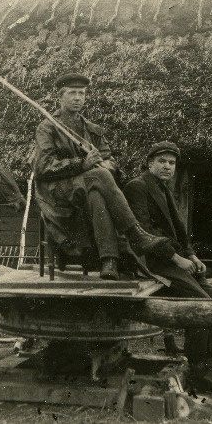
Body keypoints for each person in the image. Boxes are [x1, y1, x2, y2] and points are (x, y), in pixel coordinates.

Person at [123, 141, 212, 397]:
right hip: (150, 263)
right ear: (150, 163)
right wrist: (177, 258)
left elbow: (178, 231)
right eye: (162, 162)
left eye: (172, 163)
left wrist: (190, 253)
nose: (168, 167)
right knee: (200, 304)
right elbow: (142, 235)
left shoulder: (165, 188)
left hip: (172, 259)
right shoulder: (137, 187)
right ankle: (201, 370)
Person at [32, 72, 170, 281]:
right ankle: (136, 235)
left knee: (97, 190)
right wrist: (82, 164)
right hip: (57, 191)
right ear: (61, 97)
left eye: (81, 93)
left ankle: (109, 261)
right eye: (72, 93)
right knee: (98, 176)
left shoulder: (92, 130)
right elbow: (43, 167)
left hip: (86, 188)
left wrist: (105, 164)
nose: (78, 98)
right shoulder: (48, 127)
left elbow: (110, 160)